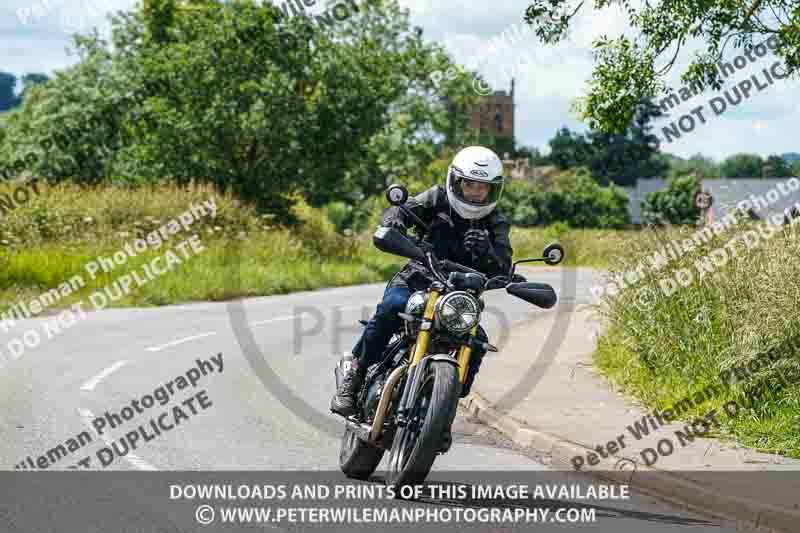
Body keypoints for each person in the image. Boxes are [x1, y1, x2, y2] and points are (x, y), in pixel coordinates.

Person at [330, 146, 513, 421]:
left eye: (483, 187)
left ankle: (444, 407)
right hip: (419, 278)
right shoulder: (438, 198)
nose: (476, 192)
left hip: (459, 294)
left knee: (477, 340)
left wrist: (487, 251)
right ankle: (354, 374)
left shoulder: (495, 222)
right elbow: (402, 211)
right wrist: (394, 220)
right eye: (470, 184)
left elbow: (504, 264)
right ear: (457, 182)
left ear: (493, 190)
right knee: (392, 306)